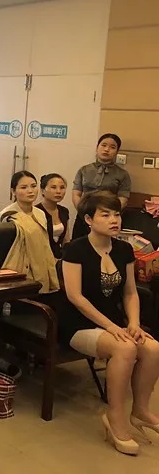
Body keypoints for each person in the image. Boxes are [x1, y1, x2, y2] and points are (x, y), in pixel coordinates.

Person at [59, 191, 159, 455]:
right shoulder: (75, 249)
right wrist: (112, 327)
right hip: (78, 324)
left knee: (153, 348)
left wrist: (134, 323)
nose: (114, 220)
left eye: (116, 214)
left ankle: (140, 411)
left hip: (113, 323)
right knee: (125, 348)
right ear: (88, 220)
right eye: (105, 214)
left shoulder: (124, 249)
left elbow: (130, 292)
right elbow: (75, 297)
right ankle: (114, 417)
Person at [72, 133, 131, 239]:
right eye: (103, 145)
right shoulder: (84, 170)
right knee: (79, 245)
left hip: (108, 220)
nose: (107, 149)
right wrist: (83, 212)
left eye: (112, 147)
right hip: (84, 217)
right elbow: (76, 194)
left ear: (117, 152)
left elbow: (123, 199)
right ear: (97, 147)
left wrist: (108, 214)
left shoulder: (123, 174)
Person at [35, 173, 70, 259]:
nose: (58, 191)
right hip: (40, 257)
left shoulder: (64, 211)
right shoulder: (36, 212)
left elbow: (66, 240)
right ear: (42, 191)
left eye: (62, 187)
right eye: (53, 187)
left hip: (59, 256)